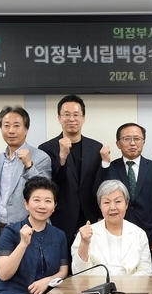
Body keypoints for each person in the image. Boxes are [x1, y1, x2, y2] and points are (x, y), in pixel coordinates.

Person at [39, 94, 106, 252]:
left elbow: (100, 183)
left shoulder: (96, 148)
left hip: (90, 218)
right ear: (59, 118)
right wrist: (62, 157)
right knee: (61, 262)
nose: (71, 119)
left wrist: (100, 214)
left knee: (89, 262)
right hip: (60, 219)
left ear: (83, 118)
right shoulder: (46, 149)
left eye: (76, 115)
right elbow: (49, 184)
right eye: (66, 115)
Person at [95, 123, 152, 258]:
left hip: (147, 232)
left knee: (144, 268)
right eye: (127, 139)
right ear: (118, 144)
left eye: (137, 139)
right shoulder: (110, 167)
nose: (132, 143)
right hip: (115, 231)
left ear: (143, 142)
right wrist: (105, 164)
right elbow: (98, 194)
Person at [0, 106, 51, 236]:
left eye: (16, 126)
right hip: (1, 229)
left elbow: (45, 191)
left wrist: (29, 165)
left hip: (31, 229)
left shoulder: (41, 157)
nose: (11, 131)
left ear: (26, 129)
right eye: (6, 126)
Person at [72, 180, 152, 276]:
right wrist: (84, 243)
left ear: (126, 204)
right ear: (100, 206)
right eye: (106, 202)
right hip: (97, 285)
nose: (112, 207)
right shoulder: (86, 234)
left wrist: (126, 283)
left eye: (118, 201)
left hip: (131, 285)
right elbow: (78, 273)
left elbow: (146, 271)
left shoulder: (139, 234)